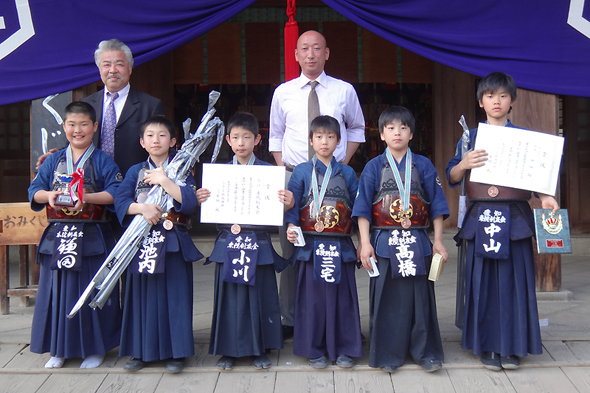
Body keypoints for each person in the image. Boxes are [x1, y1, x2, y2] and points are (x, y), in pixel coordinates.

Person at [446, 72, 559, 371]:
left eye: (503, 96)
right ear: (481, 101)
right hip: (481, 216)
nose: (496, 101)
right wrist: (463, 163)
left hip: (515, 218)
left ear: (512, 101)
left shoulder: (524, 138)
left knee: (514, 283)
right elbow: (452, 177)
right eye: (490, 96)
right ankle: (487, 346)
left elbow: (538, 177)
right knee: (482, 283)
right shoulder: (469, 136)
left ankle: (513, 346)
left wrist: (546, 197)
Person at [269, 30, 366, 338]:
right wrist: (286, 173)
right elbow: (275, 135)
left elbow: (358, 128)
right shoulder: (283, 92)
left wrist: (340, 166)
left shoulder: (344, 90)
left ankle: (332, 316)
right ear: (295, 55)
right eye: (304, 49)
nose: (310, 54)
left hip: (333, 177)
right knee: (292, 246)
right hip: (295, 173)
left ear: (327, 53)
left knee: (333, 247)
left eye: (316, 49)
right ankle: (291, 318)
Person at [353, 106, 449, 373]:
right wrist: (365, 243)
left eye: (403, 127)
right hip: (383, 240)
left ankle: (425, 352)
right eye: (391, 128)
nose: (397, 132)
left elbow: (438, 206)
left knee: (421, 298)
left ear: (411, 134)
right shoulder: (373, 167)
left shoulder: (424, 165)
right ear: (382, 134)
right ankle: (387, 354)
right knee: (386, 299)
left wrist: (438, 241)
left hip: (417, 239)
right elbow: (362, 209)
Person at [28, 101, 122, 369]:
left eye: (84, 124)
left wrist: (87, 197)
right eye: (72, 124)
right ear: (64, 126)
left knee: (90, 291)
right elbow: (34, 191)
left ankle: (96, 348)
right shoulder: (54, 160)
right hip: (58, 238)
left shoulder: (103, 160)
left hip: (92, 236)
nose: (77, 130)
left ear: (94, 127)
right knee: (57, 292)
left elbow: (116, 192)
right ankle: (59, 349)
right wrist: (49, 196)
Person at [197, 112, 294, 370]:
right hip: (229, 240)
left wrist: (289, 203)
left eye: (247, 137)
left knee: (260, 295)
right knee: (230, 297)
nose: (241, 142)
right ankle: (229, 350)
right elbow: (208, 207)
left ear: (257, 139)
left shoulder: (269, 172)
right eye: (236, 137)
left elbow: (283, 209)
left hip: (258, 240)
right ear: (228, 140)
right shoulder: (219, 173)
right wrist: (202, 198)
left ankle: (260, 347)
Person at [114, 116, 203, 373]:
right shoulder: (135, 171)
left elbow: (188, 202)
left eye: (162, 135)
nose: (156, 140)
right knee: (142, 297)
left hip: (173, 239)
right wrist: (141, 208)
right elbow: (121, 202)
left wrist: (165, 181)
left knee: (174, 297)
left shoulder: (184, 169)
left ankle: (177, 352)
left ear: (173, 141)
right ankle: (141, 352)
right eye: (150, 135)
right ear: (142, 142)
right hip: (141, 242)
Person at [285, 115, 362, 369]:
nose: (324, 141)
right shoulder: (301, 171)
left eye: (330, 137)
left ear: (339, 141)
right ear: (311, 140)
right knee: (313, 300)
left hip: (340, 244)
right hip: (311, 244)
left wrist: (363, 240)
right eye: (319, 136)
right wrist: (291, 225)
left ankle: (345, 348)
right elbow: (293, 204)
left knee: (343, 299)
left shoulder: (348, 172)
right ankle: (313, 348)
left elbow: (358, 207)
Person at [36, 39, 164, 175]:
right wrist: (56, 156)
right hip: (92, 184)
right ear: (99, 69)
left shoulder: (150, 105)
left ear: (130, 68)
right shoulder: (86, 104)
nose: (113, 70)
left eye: (119, 64)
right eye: (106, 65)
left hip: (133, 184)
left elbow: (162, 145)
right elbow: (78, 140)